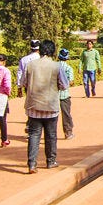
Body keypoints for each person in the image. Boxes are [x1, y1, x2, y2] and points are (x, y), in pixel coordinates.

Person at [23, 40, 69, 173]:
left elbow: (24, 83)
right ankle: (51, 161)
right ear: (52, 51)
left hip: (33, 106)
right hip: (50, 106)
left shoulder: (30, 65)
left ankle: (32, 164)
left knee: (34, 135)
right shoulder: (56, 66)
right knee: (51, 135)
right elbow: (64, 84)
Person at [57, 49, 75, 140]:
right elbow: (71, 82)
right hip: (64, 94)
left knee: (52, 115)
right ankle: (68, 132)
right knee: (66, 114)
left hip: (53, 95)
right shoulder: (68, 68)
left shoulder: (54, 66)